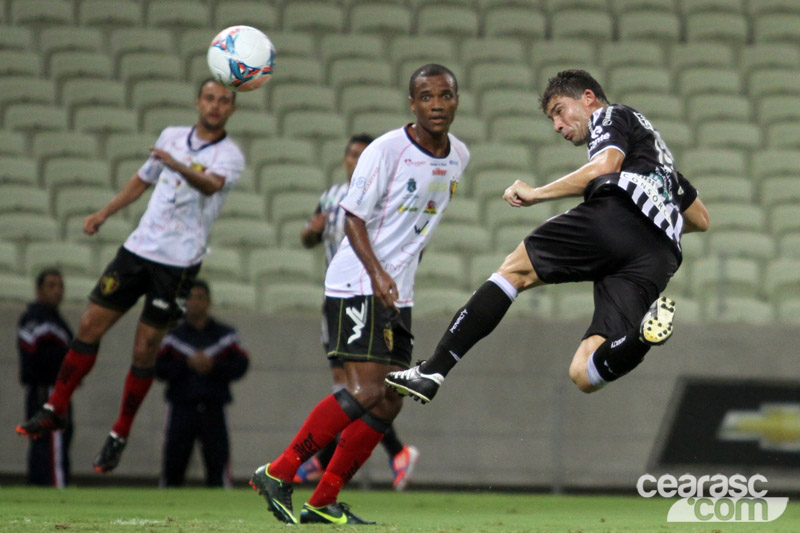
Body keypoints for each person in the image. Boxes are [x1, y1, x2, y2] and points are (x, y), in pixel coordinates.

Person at [386, 69, 710, 403]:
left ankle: (433, 370)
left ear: (587, 98)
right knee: (584, 372)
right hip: (659, 256)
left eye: (559, 110)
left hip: (618, 216)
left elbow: (604, 168)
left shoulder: (612, 114)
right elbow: (700, 219)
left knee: (514, 271)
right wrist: (648, 221)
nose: (557, 125)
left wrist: (536, 193)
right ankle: (642, 337)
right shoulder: (665, 170)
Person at [250, 63, 470, 525]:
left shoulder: (459, 157)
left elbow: (419, 230)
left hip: (397, 292)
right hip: (358, 283)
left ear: (456, 99)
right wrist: (377, 274)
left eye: (445, 95)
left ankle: (323, 499)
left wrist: (400, 278)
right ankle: (279, 471)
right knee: (366, 388)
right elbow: (352, 216)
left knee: (389, 399)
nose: (436, 105)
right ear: (412, 103)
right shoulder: (386, 150)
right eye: (426, 97)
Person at [16, 78, 245, 475]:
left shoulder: (229, 155)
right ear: (197, 102)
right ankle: (55, 407)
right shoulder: (172, 135)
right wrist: (104, 213)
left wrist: (177, 165)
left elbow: (210, 185)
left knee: (144, 350)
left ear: (232, 110)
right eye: (209, 98)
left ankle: (119, 433)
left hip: (178, 263)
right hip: (138, 250)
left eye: (224, 101)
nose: (215, 106)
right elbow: (143, 179)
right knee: (89, 324)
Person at [297, 133, 421, 491]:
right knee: (354, 388)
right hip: (337, 298)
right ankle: (373, 456)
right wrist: (311, 230)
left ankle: (320, 462)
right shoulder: (332, 197)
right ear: (345, 159)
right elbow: (308, 239)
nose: (355, 160)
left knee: (358, 388)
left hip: (374, 297)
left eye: (362, 154)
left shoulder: (387, 196)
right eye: (351, 154)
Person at [155, 279, 249, 488]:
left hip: (214, 405)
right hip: (181, 405)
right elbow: (158, 368)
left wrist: (212, 366)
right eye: (190, 298)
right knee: (173, 464)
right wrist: (187, 365)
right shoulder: (173, 336)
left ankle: (222, 509)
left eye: (200, 297)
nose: (195, 302)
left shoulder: (225, 335)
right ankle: (165, 508)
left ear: (208, 301)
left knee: (218, 463)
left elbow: (241, 364)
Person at [17, 268, 74, 487]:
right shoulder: (35, 318)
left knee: (48, 443)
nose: (57, 291)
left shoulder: (56, 320)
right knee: (52, 444)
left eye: (60, 286)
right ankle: (55, 487)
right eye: (51, 286)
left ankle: (42, 487)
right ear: (39, 290)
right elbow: (33, 351)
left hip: (53, 389)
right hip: (47, 389)